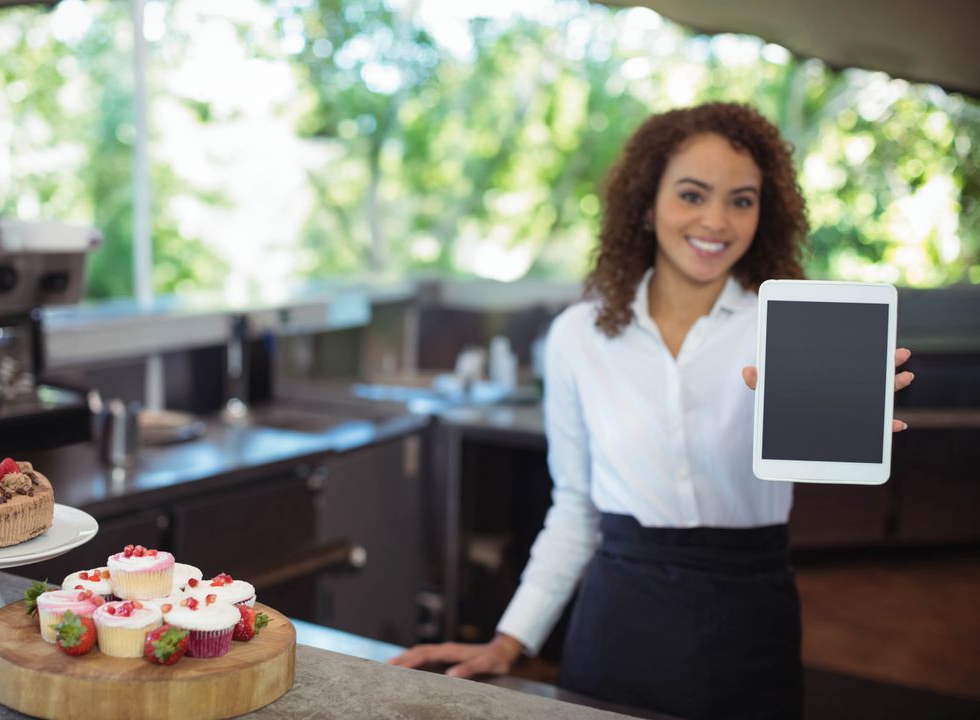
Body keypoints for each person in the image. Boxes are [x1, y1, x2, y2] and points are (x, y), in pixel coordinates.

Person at [389, 102, 915, 719]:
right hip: (621, 616)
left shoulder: (789, 330)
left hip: (750, 613)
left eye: (742, 201)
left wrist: (842, 422)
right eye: (692, 194)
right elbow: (576, 507)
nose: (716, 221)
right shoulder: (578, 336)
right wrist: (511, 641)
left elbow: (819, 474)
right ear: (645, 203)